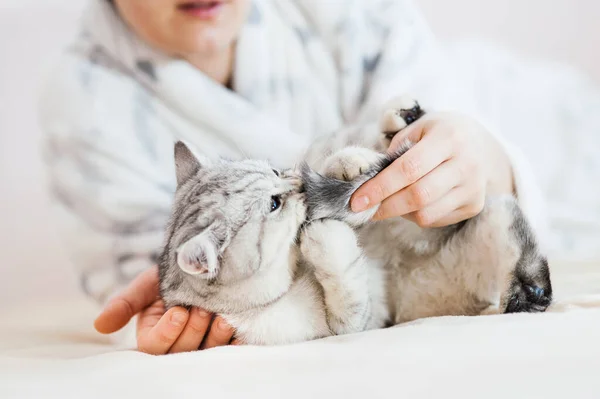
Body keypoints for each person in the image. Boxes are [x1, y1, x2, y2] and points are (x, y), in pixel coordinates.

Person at [40, 0, 600, 355]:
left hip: (536, 116)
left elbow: (436, 125)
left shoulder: (340, 12)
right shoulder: (87, 104)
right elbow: (155, 268)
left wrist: (485, 159)